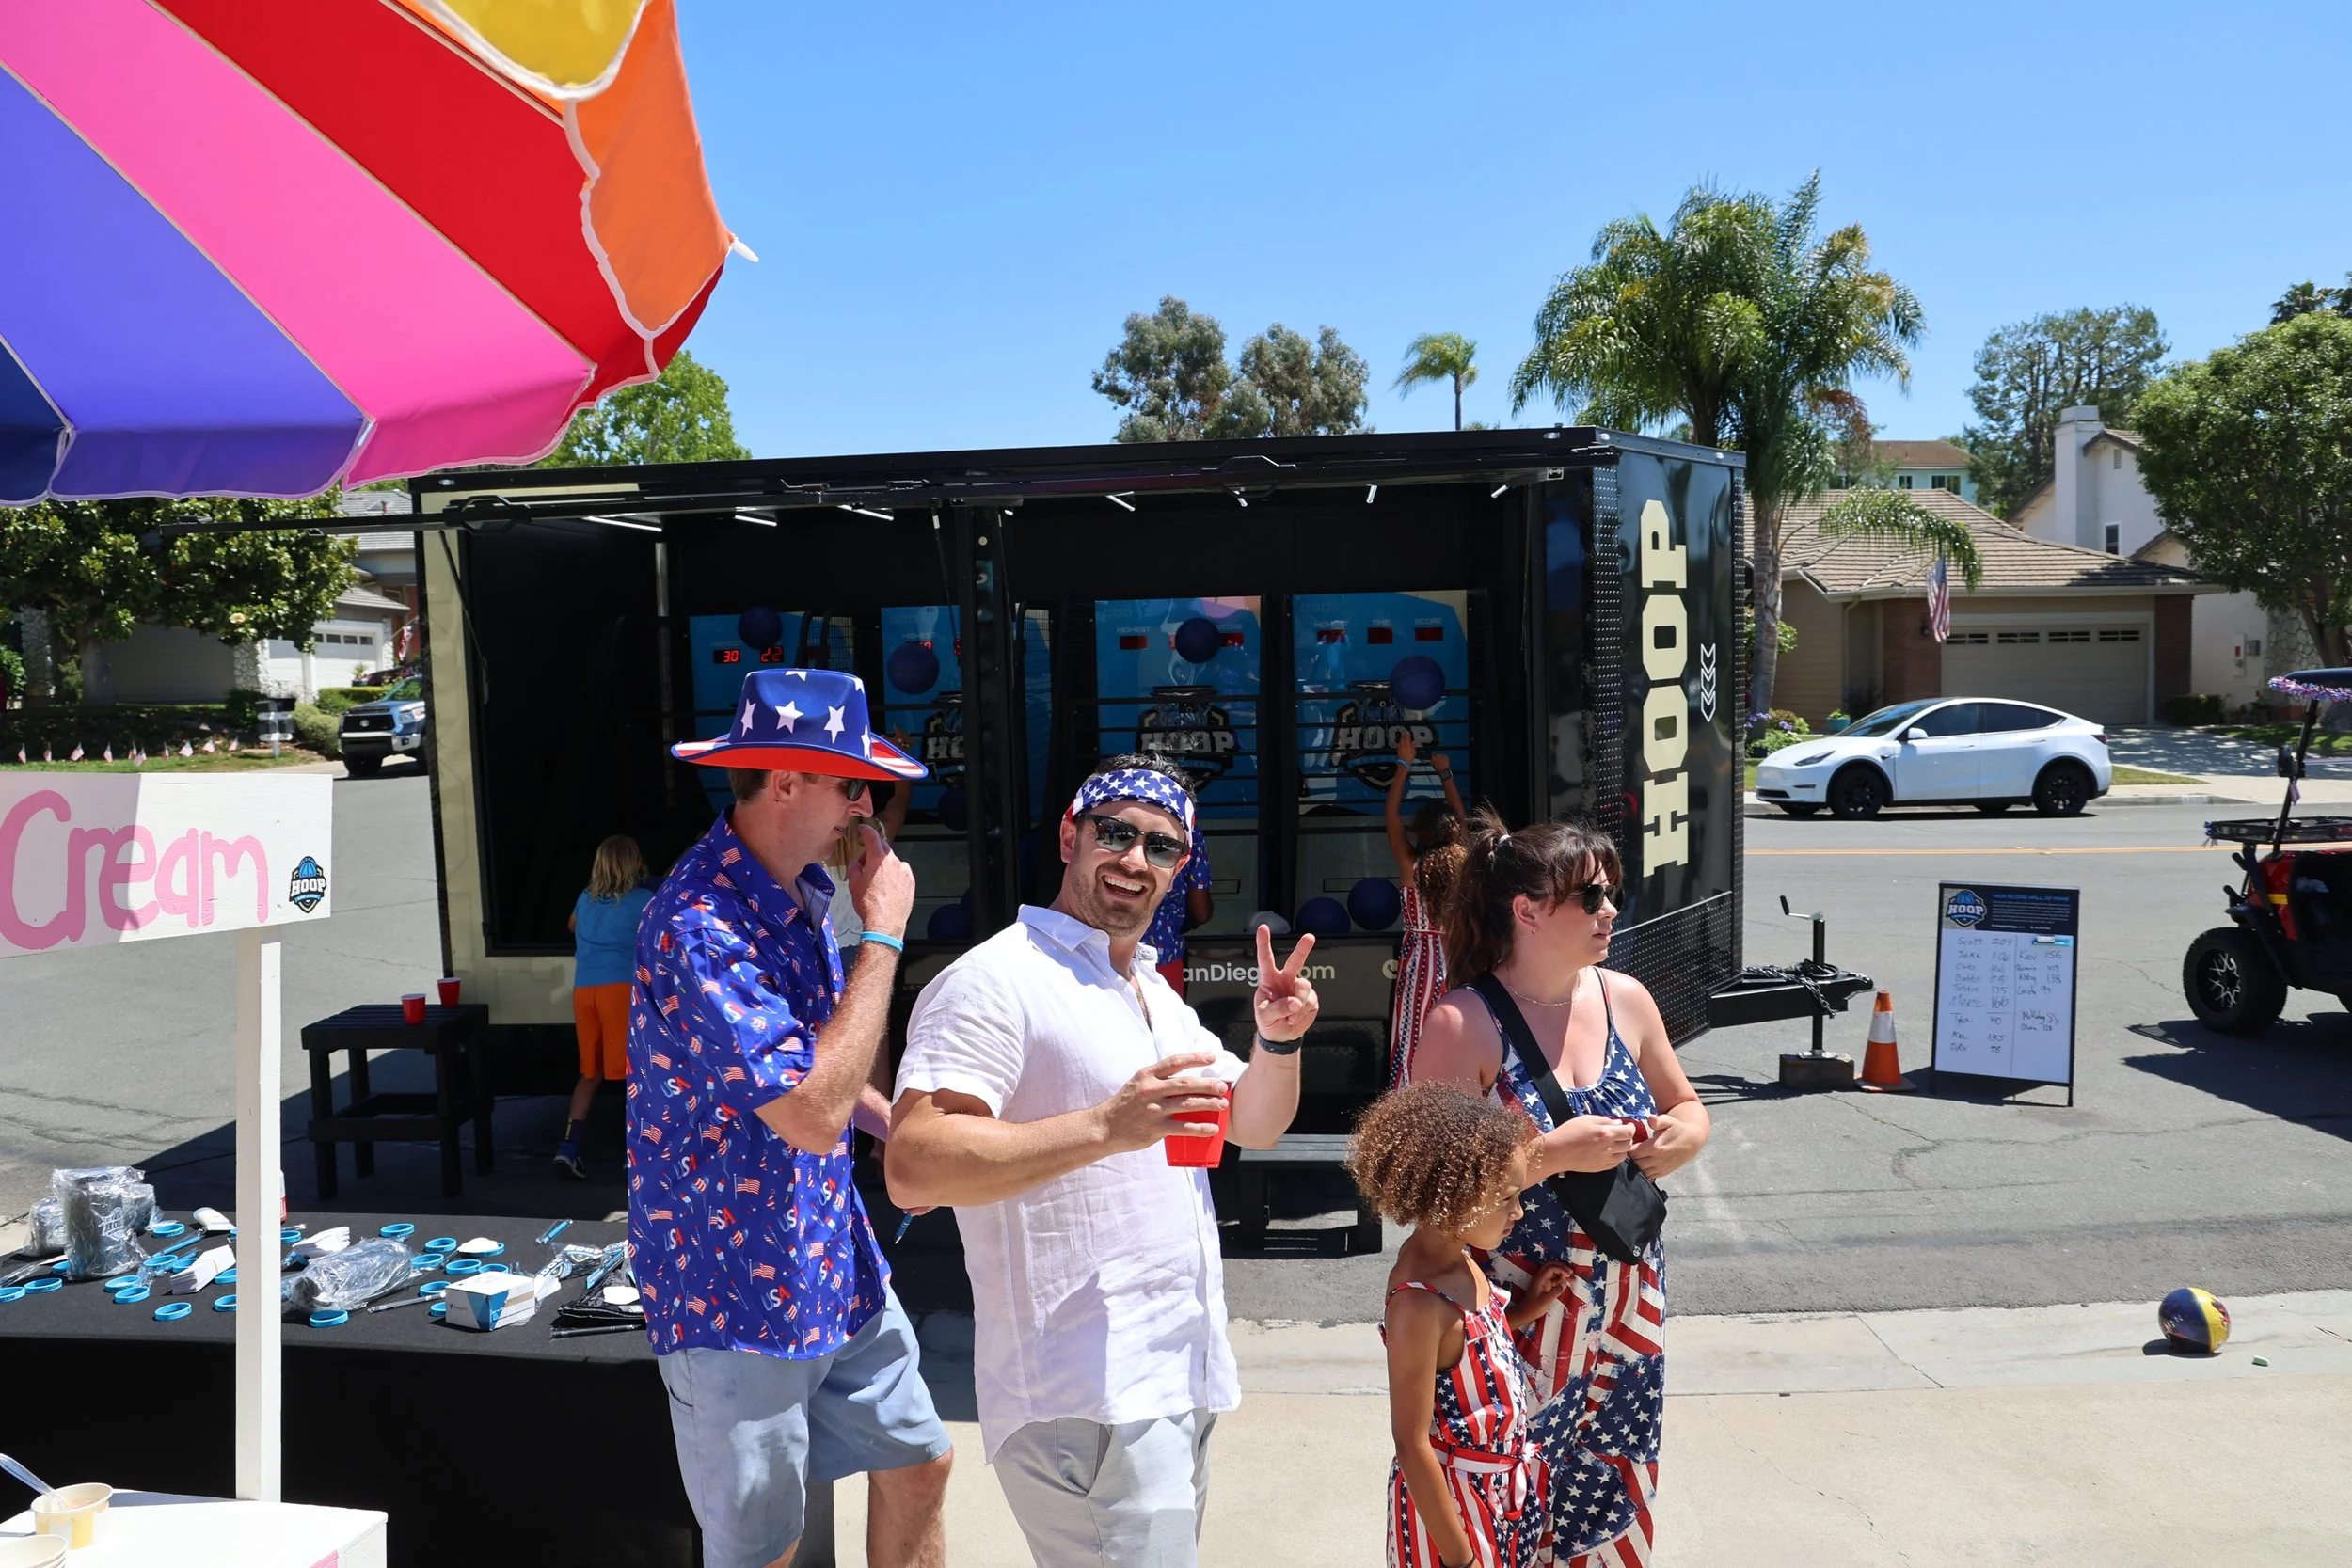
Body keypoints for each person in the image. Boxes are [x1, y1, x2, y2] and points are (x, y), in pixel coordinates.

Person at [886, 755, 1320, 1568]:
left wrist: (1279, 1041)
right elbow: (915, 1162)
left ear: (1180, 868)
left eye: (1160, 847)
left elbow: (1252, 1122)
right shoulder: (994, 980)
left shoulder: (1150, 991)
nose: (1133, 860)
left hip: (1171, 1378)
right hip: (1084, 1392)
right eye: (1114, 833)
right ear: (1068, 835)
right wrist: (1105, 1127)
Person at [631, 667, 953, 1568]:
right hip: (730, 1288)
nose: (868, 808)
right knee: (768, 1550)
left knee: (923, 1460)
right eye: (855, 785)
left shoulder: (796, 896)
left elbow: (820, 1071)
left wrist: (904, 1129)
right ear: (784, 781)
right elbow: (813, 1112)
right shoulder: (697, 922)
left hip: (827, 1258)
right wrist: (883, 933)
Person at [1409, 810, 1710, 1568]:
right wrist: (1548, 1155)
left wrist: (1684, 1135)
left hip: (1630, 1313)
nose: (1611, 910)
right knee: (1512, 1505)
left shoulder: (1625, 999)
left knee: (1612, 1507)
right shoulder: (1461, 1022)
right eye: (1593, 896)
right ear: (1528, 911)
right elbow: (1430, 1198)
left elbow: (1688, 1104)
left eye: (1612, 893)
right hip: (1520, 1315)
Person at [1350, 1082, 1573, 1568]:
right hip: (1452, 1518)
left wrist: (1522, 1313)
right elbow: (1411, 1443)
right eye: (1508, 1197)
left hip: (1499, 1499)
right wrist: (1461, 1558)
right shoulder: (1416, 1303)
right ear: (1457, 1196)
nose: (1518, 1211)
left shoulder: (1464, 1259)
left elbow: (1464, 1353)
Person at [555, 834, 656, 1179]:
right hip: (620, 991)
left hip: (585, 991)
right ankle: (634, 1154)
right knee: (635, 1074)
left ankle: (569, 1148)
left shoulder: (586, 898)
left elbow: (572, 925)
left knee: (590, 1073)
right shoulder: (643, 900)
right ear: (636, 864)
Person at [1384, 732, 1468, 1087]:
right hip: (1460, 955)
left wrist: (1404, 764)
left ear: (1419, 832)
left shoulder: (1410, 864)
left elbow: (1390, 812)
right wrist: (1445, 774)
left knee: (1413, 1033)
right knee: (1462, 1030)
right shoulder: (1464, 859)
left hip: (1421, 958)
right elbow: (1462, 821)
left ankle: (1408, 1096)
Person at [1143, 812, 1213, 995]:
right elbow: (1202, 912)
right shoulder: (1188, 832)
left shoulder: (1106, 822)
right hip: (1164, 956)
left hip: (1103, 956)